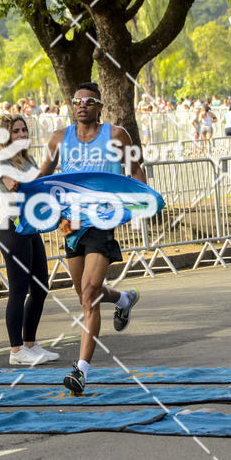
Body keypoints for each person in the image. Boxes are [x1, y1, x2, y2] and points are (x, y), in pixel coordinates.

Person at [39, 82, 146, 395]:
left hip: (102, 220)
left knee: (88, 295)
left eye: (89, 101)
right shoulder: (59, 138)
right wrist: (20, 187)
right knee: (86, 294)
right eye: (77, 101)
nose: (82, 105)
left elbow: (135, 171)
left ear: (100, 107)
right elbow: (43, 176)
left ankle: (80, 371)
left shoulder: (116, 135)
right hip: (71, 224)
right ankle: (123, 299)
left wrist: (141, 202)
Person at [0, 114, 58, 366]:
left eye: (24, 130)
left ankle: (30, 343)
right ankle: (16, 350)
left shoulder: (28, 160)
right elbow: (10, 182)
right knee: (18, 291)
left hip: (31, 229)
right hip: (12, 229)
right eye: (16, 131)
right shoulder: (3, 161)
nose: (21, 134)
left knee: (40, 287)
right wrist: (19, 182)